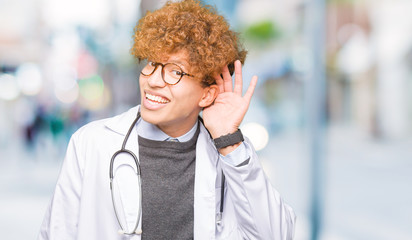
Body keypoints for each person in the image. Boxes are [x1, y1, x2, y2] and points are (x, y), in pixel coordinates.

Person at [38, 0, 296, 239]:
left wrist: (229, 141)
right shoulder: (91, 143)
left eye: (175, 71)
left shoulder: (229, 153)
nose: (152, 80)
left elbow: (276, 234)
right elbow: (56, 232)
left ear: (207, 94)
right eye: (152, 63)